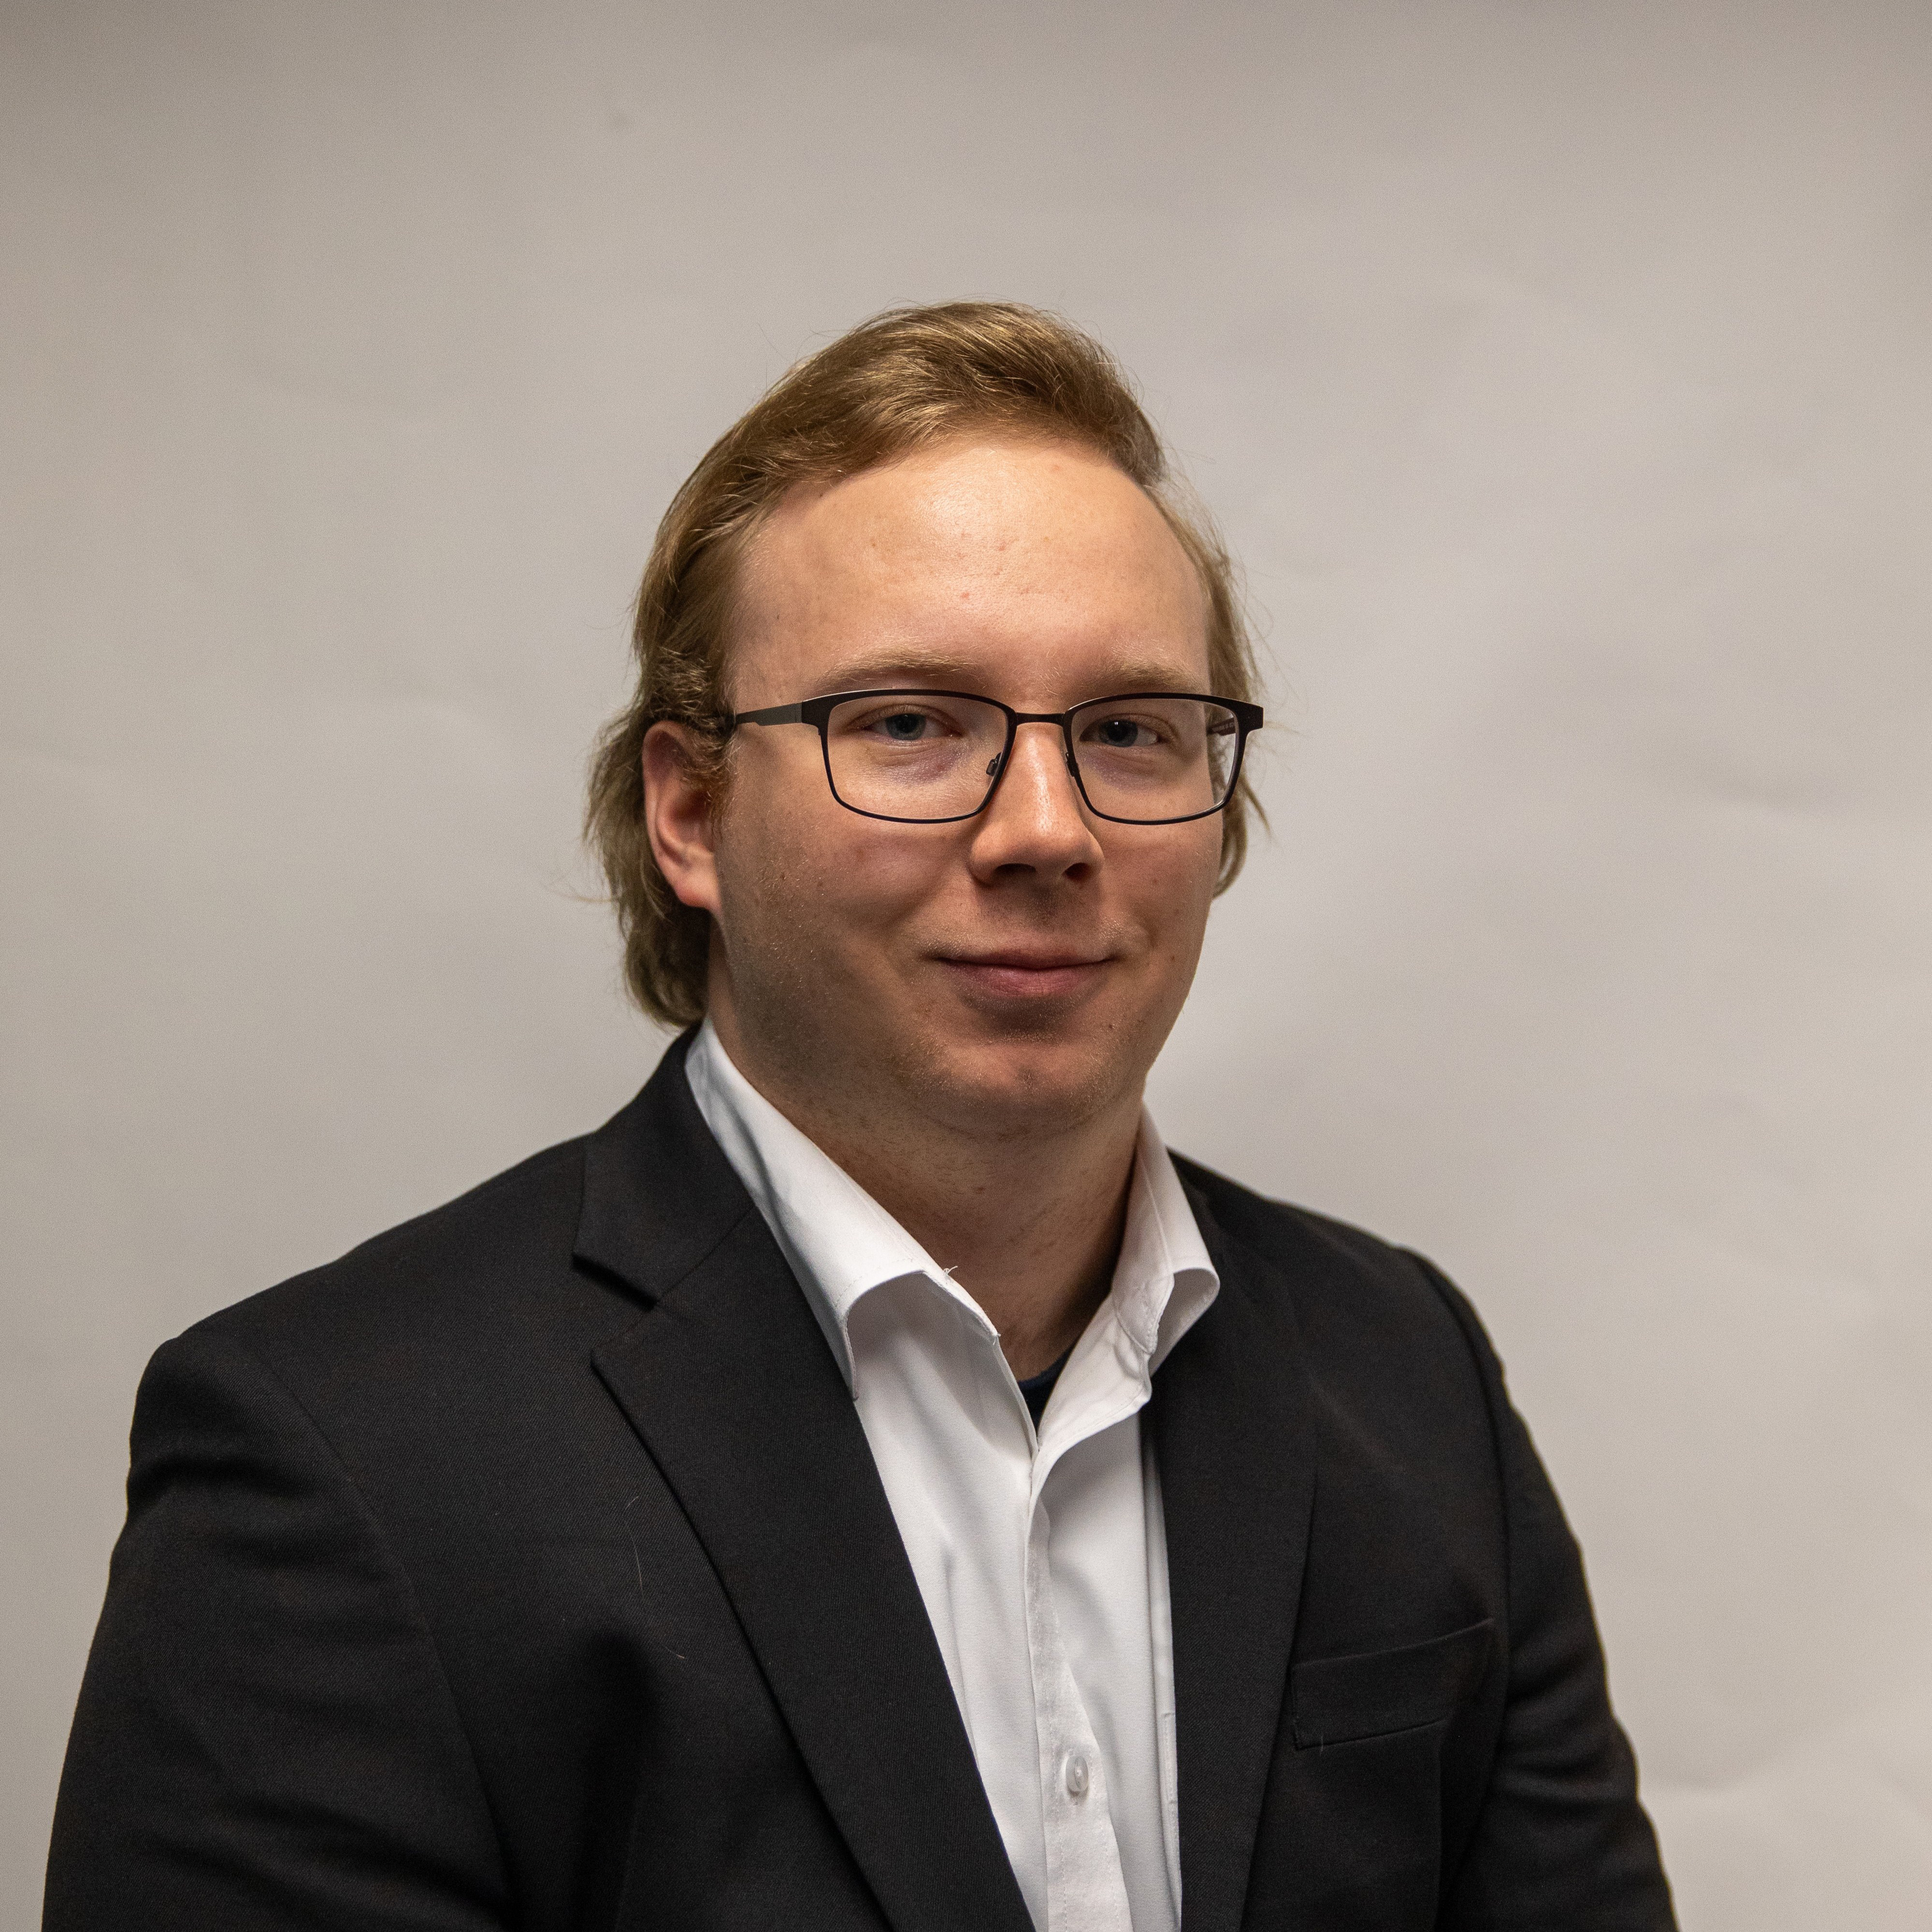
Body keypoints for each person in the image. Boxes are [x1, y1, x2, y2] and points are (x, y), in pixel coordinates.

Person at [44, 303, 1675, 1932]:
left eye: (1127, 731)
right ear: (690, 810)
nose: (1046, 829)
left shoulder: (1404, 1373)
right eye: (908, 722)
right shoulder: (346, 1460)